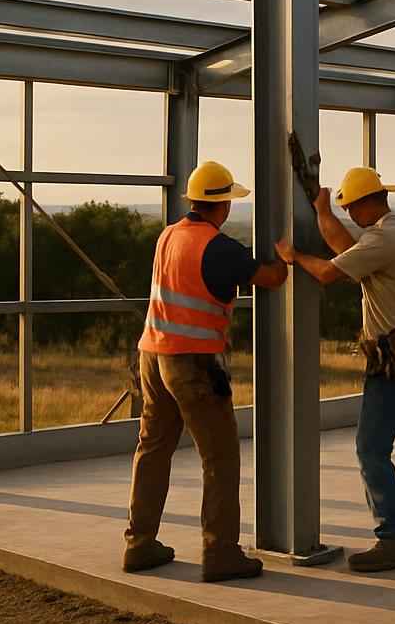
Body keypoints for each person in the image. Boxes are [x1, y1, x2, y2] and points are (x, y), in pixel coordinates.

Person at [276, 166, 395, 574]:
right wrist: (322, 210)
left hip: (393, 361)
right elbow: (344, 248)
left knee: (371, 449)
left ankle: (393, 538)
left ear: (366, 203)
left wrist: (294, 257)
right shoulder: (392, 234)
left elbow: (330, 271)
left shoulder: (386, 238)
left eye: (350, 208)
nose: (350, 217)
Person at [122, 160, 289, 582]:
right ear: (225, 205)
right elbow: (270, 277)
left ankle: (139, 544)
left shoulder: (169, 235)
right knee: (219, 457)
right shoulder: (219, 247)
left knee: (153, 449)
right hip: (192, 363)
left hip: (152, 357)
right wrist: (286, 258)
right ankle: (221, 553)